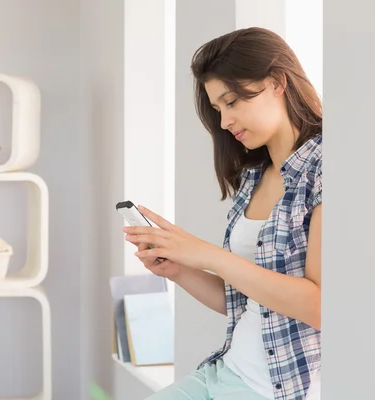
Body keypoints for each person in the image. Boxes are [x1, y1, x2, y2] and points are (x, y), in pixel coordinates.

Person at [123, 27, 322, 400]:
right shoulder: (254, 177)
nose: (225, 122)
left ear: (277, 82)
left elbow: (321, 307)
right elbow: (244, 300)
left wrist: (208, 254)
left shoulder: (323, 169)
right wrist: (179, 268)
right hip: (224, 371)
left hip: (276, 388)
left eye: (231, 102)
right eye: (218, 109)